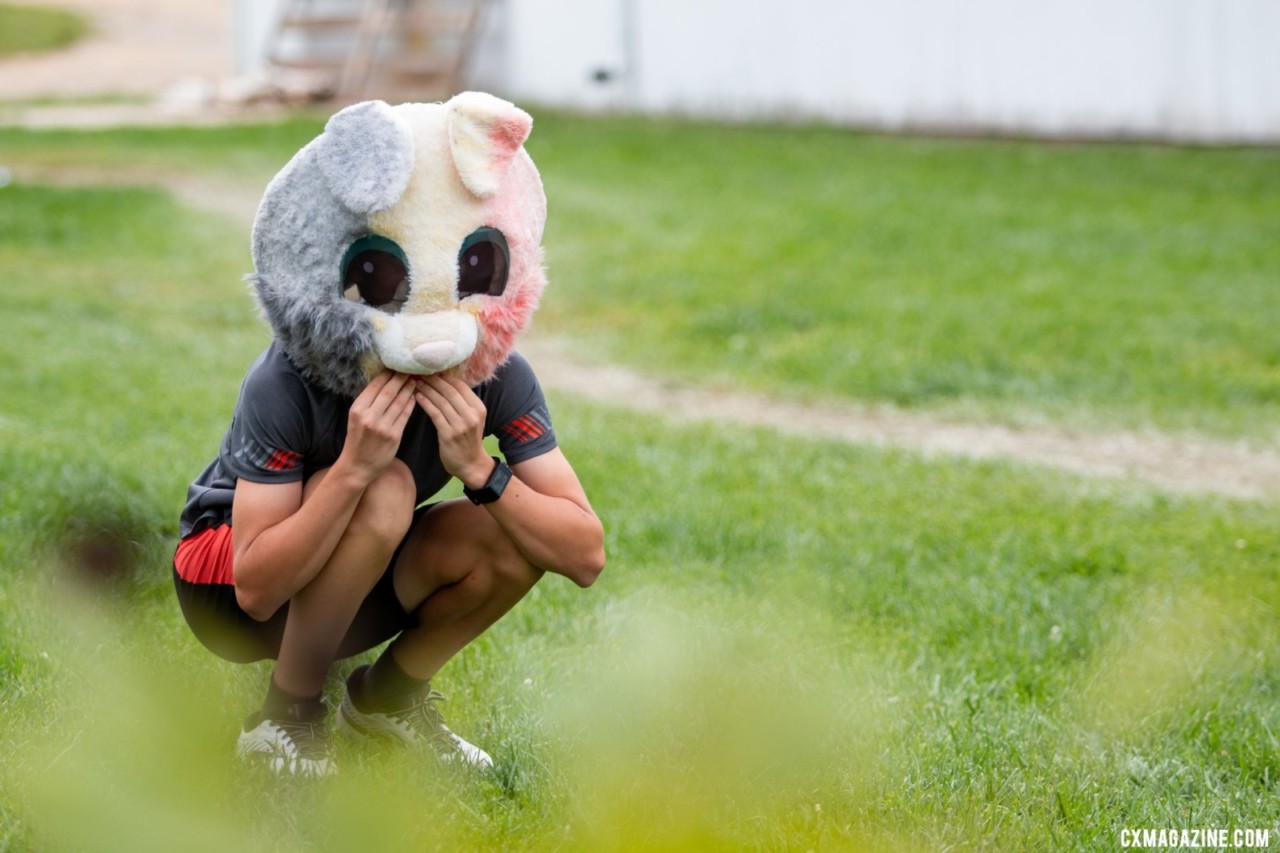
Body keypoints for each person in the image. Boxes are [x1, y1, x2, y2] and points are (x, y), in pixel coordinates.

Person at [172, 344, 605, 776]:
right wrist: (354, 469)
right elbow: (255, 593)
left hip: (345, 580)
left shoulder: (497, 371)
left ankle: (387, 699)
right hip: (224, 582)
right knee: (385, 487)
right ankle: (286, 714)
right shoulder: (286, 375)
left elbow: (584, 556)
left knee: (515, 533)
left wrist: (478, 468)